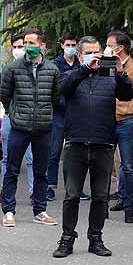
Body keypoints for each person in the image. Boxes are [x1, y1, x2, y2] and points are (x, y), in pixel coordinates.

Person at [52, 36, 133, 258]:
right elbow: (62, 89)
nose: (95, 55)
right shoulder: (71, 75)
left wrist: (119, 71)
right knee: (72, 194)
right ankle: (67, 238)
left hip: (103, 142)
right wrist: (85, 69)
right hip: (76, 142)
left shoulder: (110, 77)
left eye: (98, 51)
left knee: (100, 196)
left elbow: (127, 94)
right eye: (89, 52)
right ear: (79, 55)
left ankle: (95, 238)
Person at [0, 28, 60, 228]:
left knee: (41, 170)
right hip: (20, 126)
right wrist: (14, 113)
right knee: (12, 169)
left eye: (32, 43)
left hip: (43, 127)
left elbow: (55, 97)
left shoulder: (52, 70)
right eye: (26, 43)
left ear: (42, 45)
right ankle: (8, 210)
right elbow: (4, 95)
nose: (28, 47)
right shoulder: (13, 68)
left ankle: (40, 210)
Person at [106, 31, 133, 223]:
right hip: (106, 120)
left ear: (120, 48)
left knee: (128, 166)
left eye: (109, 44)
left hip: (127, 121)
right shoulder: (105, 66)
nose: (106, 48)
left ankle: (129, 207)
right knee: (105, 165)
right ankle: (102, 206)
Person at [0, 37, 35, 206]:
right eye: (16, 46)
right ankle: (5, 191)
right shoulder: (8, 69)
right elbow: (3, 94)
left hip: (29, 119)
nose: (18, 49)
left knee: (31, 158)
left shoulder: (35, 68)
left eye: (21, 46)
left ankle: (34, 193)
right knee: (7, 157)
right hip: (10, 116)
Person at [47, 33, 79, 202]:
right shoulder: (55, 65)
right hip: (59, 113)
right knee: (54, 151)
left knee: (75, 153)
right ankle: (50, 186)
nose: (71, 47)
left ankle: (74, 188)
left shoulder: (81, 64)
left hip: (77, 113)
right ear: (61, 45)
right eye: (68, 44)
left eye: (74, 44)